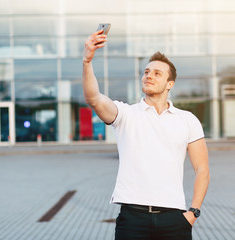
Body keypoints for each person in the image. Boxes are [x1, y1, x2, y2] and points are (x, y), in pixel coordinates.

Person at [83, 29, 210, 240]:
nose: (149, 75)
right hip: (133, 219)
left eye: (157, 73)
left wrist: (193, 213)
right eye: (146, 72)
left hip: (174, 219)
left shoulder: (187, 120)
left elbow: (203, 169)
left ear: (170, 84)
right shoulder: (126, 114)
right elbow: (93, 98)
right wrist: (87, 62)